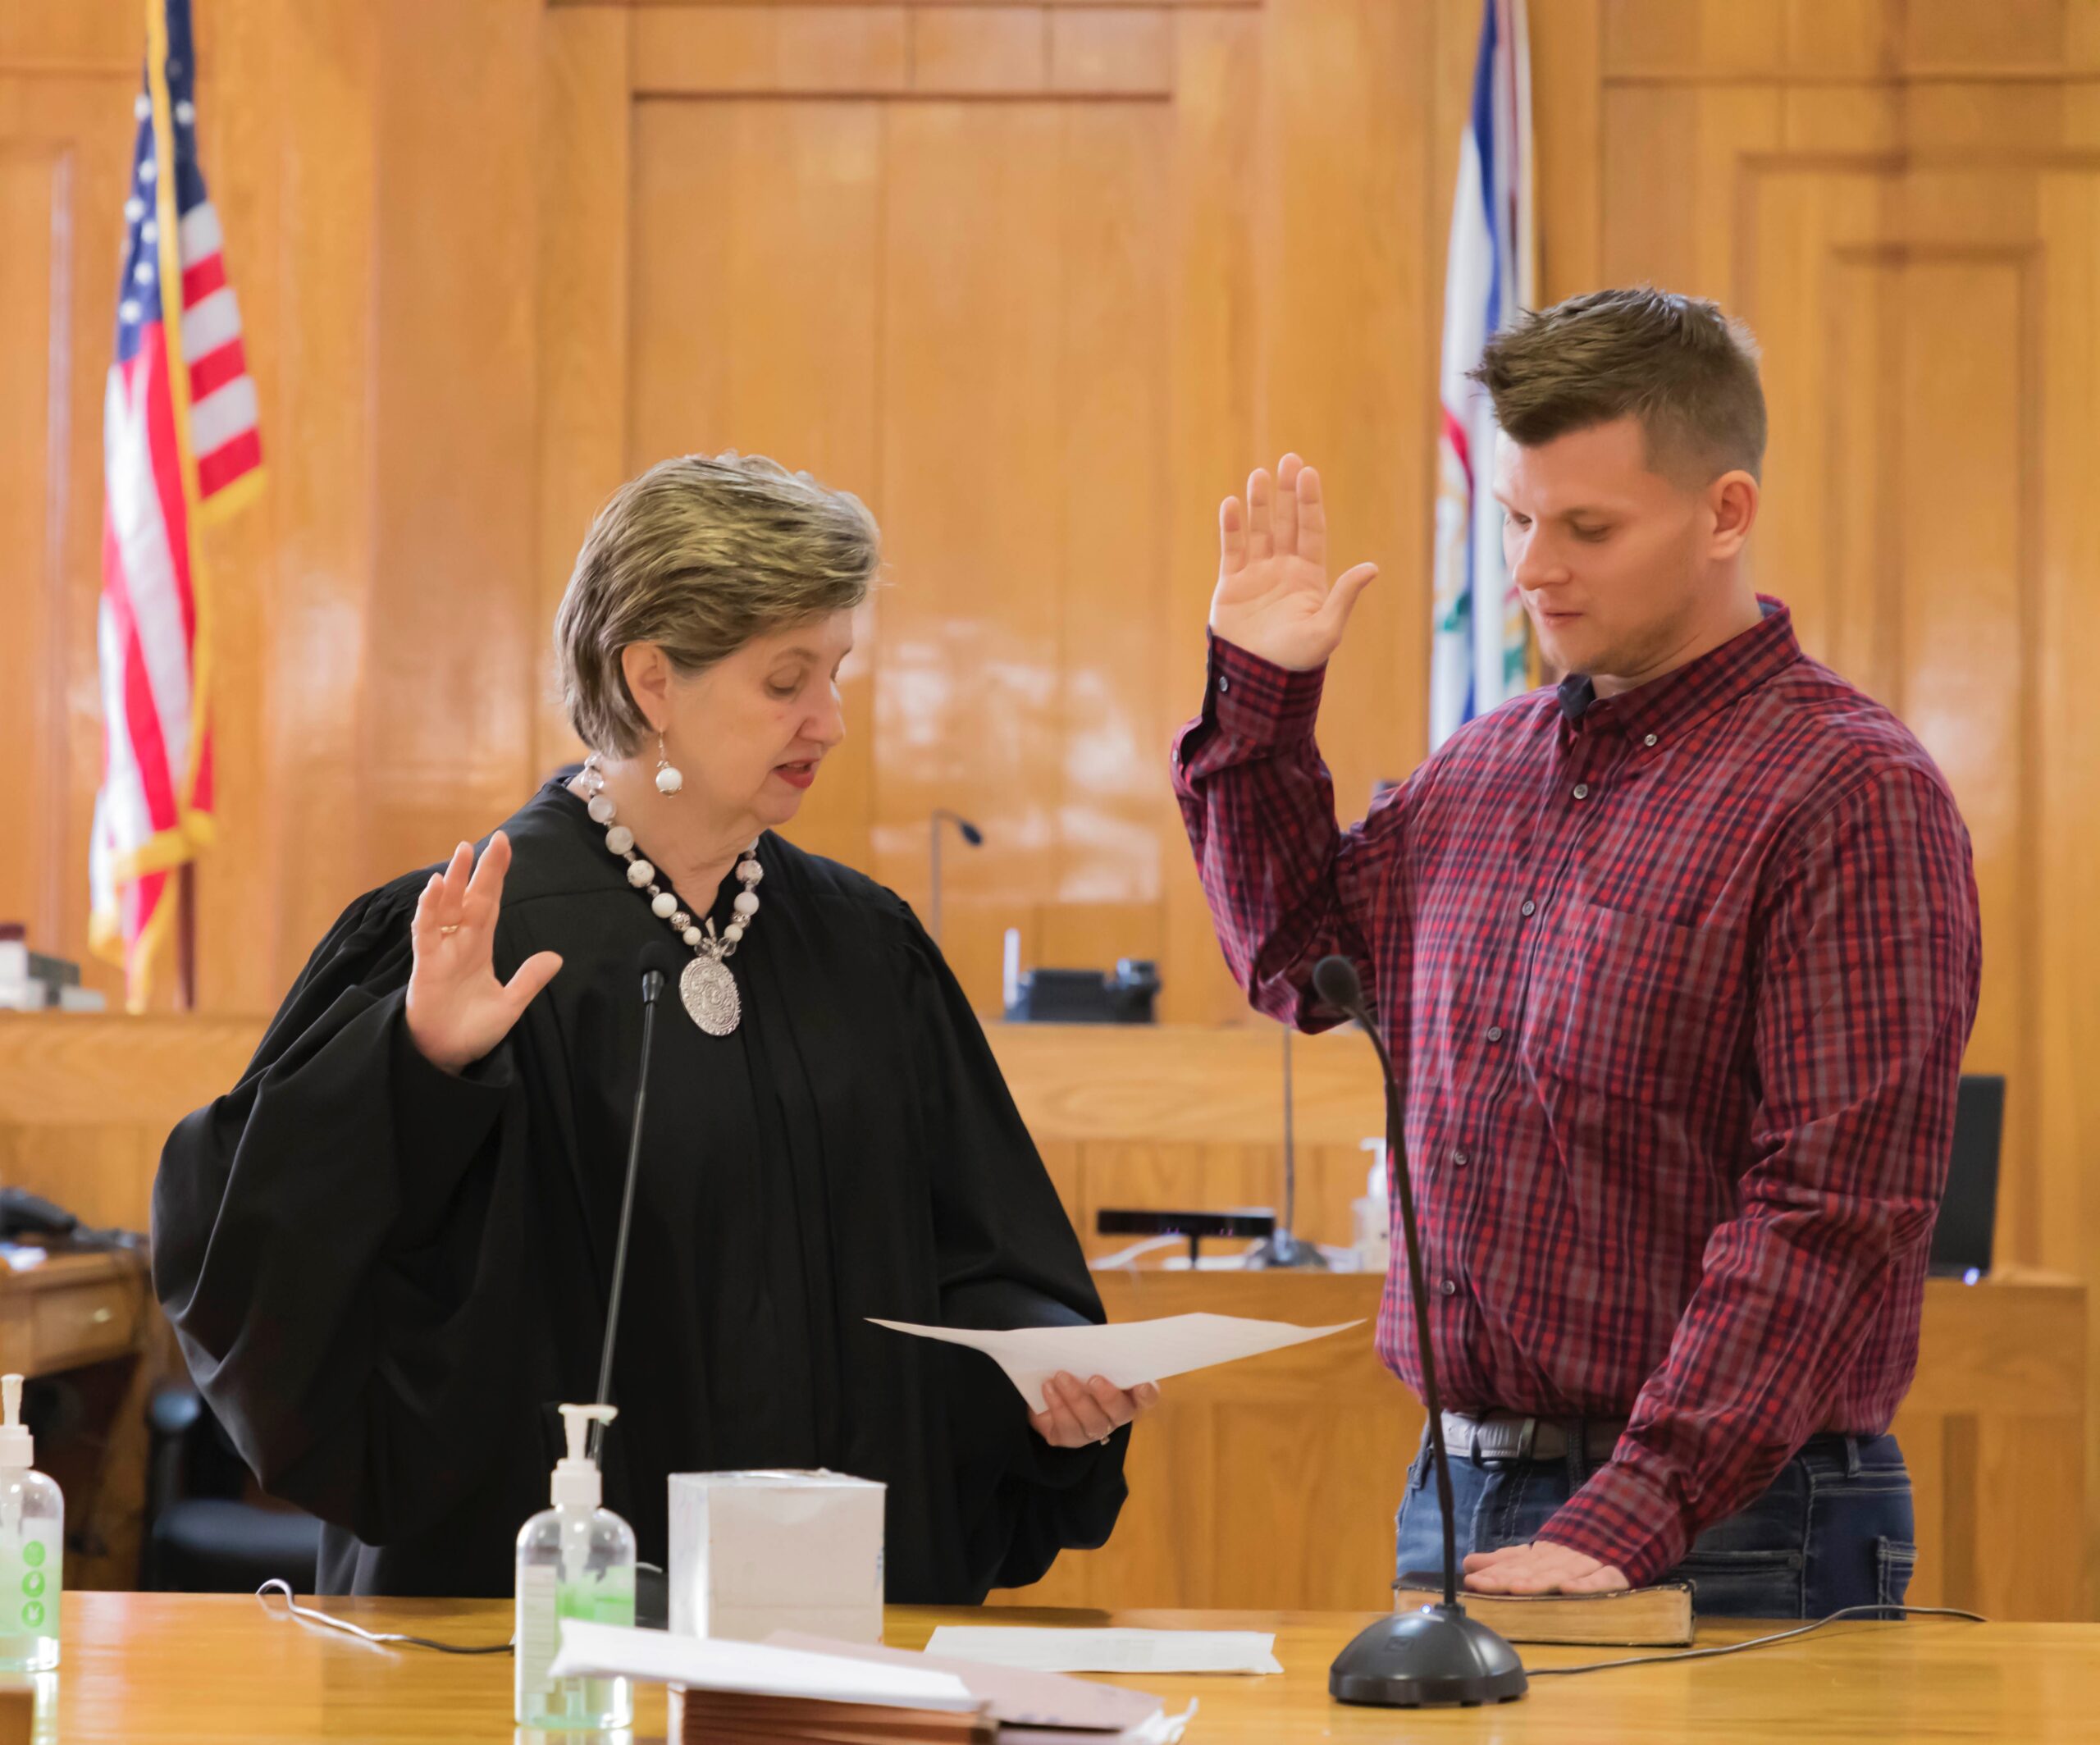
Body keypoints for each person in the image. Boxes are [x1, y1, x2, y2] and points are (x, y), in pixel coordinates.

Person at [155, 452, 1156, 1601]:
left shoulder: (867, 950)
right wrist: (415, 1065)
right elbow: (242, 1254)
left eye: (837, 673)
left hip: (830, 1622)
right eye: (787, 681)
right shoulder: (466, 935)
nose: (829, 721)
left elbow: (974, 1258)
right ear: (651, 680)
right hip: (524, 1634)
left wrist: (1044, 1365)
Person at [1172, 289, 1981, 1617]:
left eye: (1588, 528)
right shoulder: (1487, 763)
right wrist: (1261, 706)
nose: (1532, 569)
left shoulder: (1848, 790)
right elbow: (1298, 962)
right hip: (1462, 1484)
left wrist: (1636, 1509)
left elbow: (1835, 1208)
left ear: (1726, 513)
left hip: (1734, 1515)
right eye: (1516, 519)